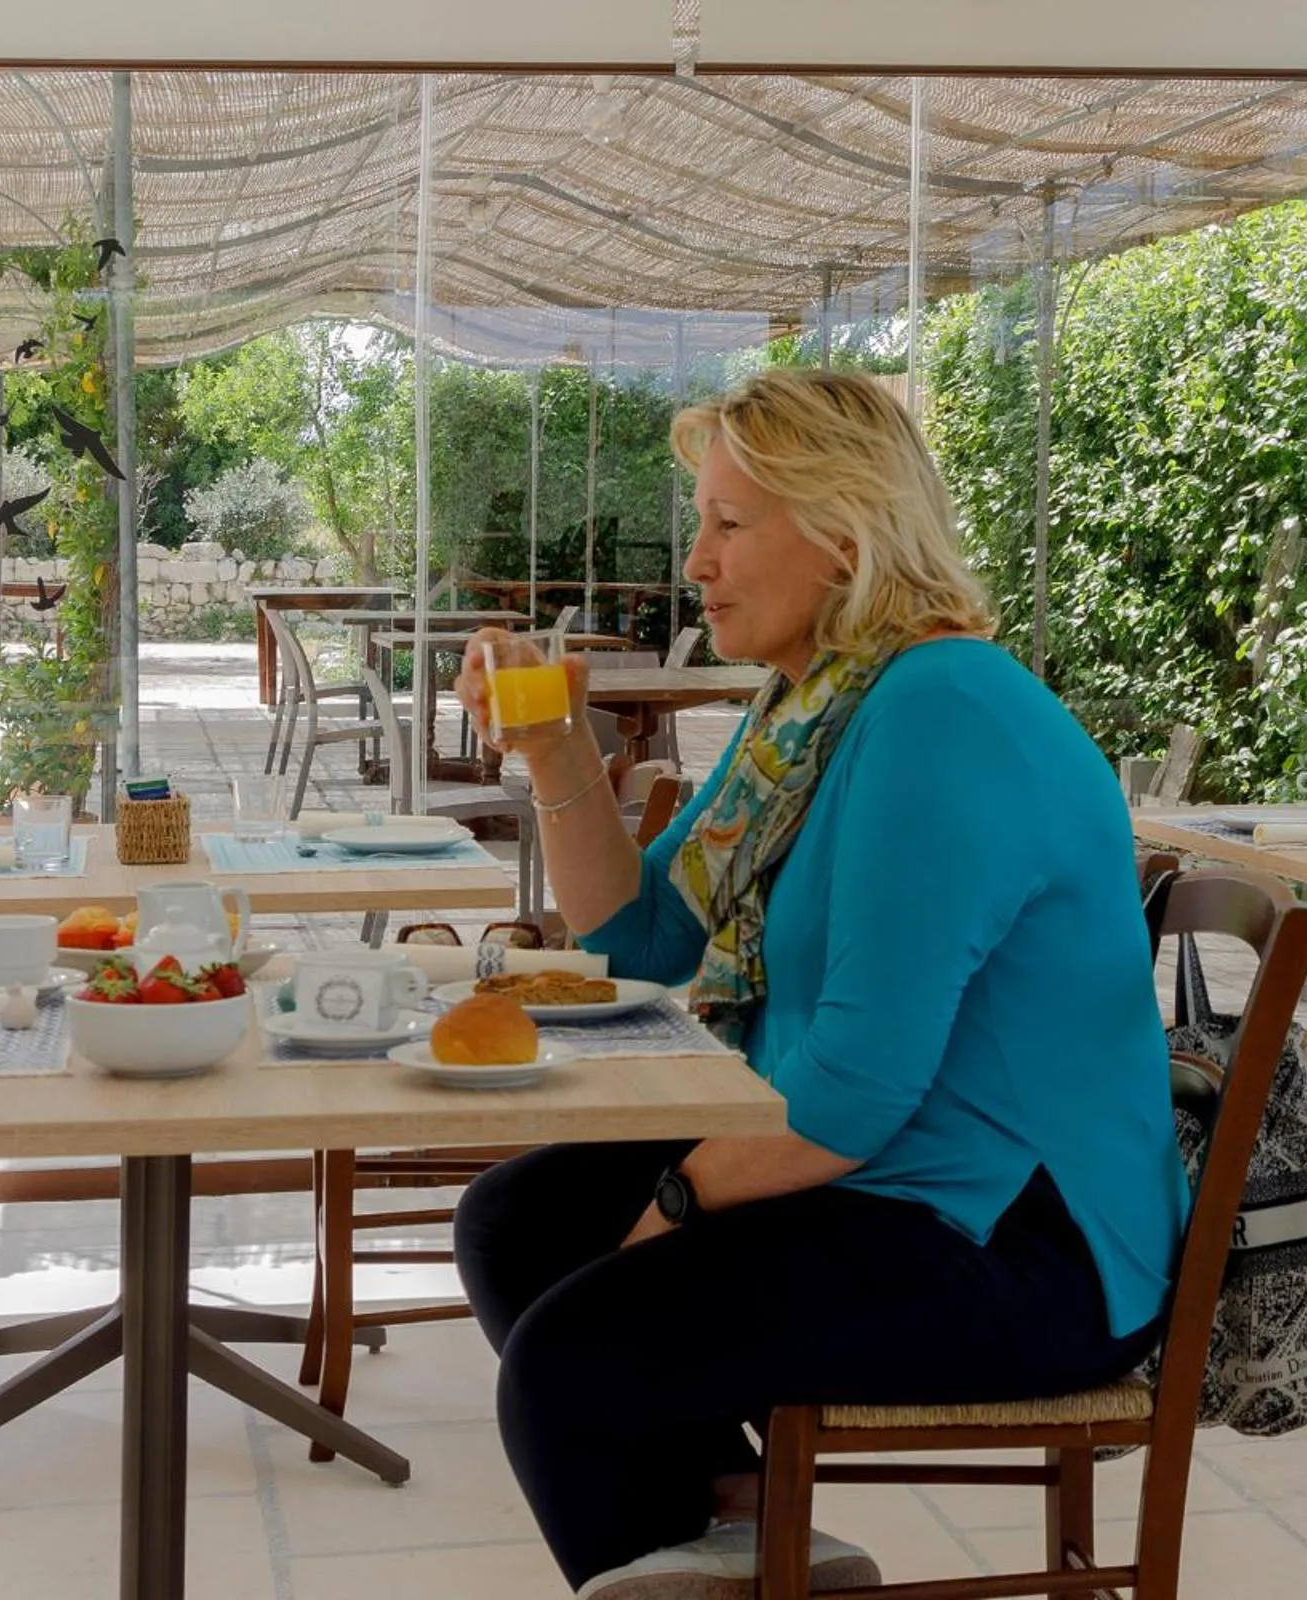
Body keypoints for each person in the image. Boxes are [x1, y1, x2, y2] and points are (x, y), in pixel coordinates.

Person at [449, 369, 1185, 1600]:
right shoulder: (820, 704)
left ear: (845, 534)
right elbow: (641, 944)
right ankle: (748, 1540)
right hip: (901, 1179)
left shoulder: (940, 709)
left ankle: (740, 1562)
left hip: (1023, 1239)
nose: (696, 561)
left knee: (572, 1359)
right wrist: (556, 742)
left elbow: (849, 1095)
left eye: (730, 524)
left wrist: (672, 1208)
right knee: (517, 1225)